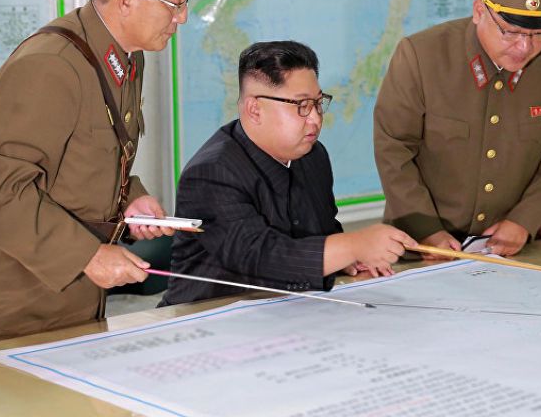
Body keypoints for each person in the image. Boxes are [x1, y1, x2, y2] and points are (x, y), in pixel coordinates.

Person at [0, 0, 209, 342]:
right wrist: (88, 256)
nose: (181, 17)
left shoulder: (125, 57)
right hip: (12, 300)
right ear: (127, 0)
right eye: (174, 3)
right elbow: (4, 189)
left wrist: (131, 199)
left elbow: (88, 161)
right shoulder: (51, 65)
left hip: (71, 295)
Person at [160, 41, 416, 306]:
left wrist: (348, 259)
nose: (316, 118)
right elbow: (261, 257)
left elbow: (324, 232)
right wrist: (353, 245)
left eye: (318, 103)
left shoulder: (313, 155)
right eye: (301, 105)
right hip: (207, 315)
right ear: (255, 109)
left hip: (291, 308)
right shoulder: (211, 173)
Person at [374, 0, 541, 257]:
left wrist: (524, 220)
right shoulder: (422, 56)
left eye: (539, 33)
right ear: (479, 11)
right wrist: (426, 230)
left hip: (510, 249)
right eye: (511, 31)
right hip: (418, 248)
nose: (525, 47)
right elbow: (393, 148)